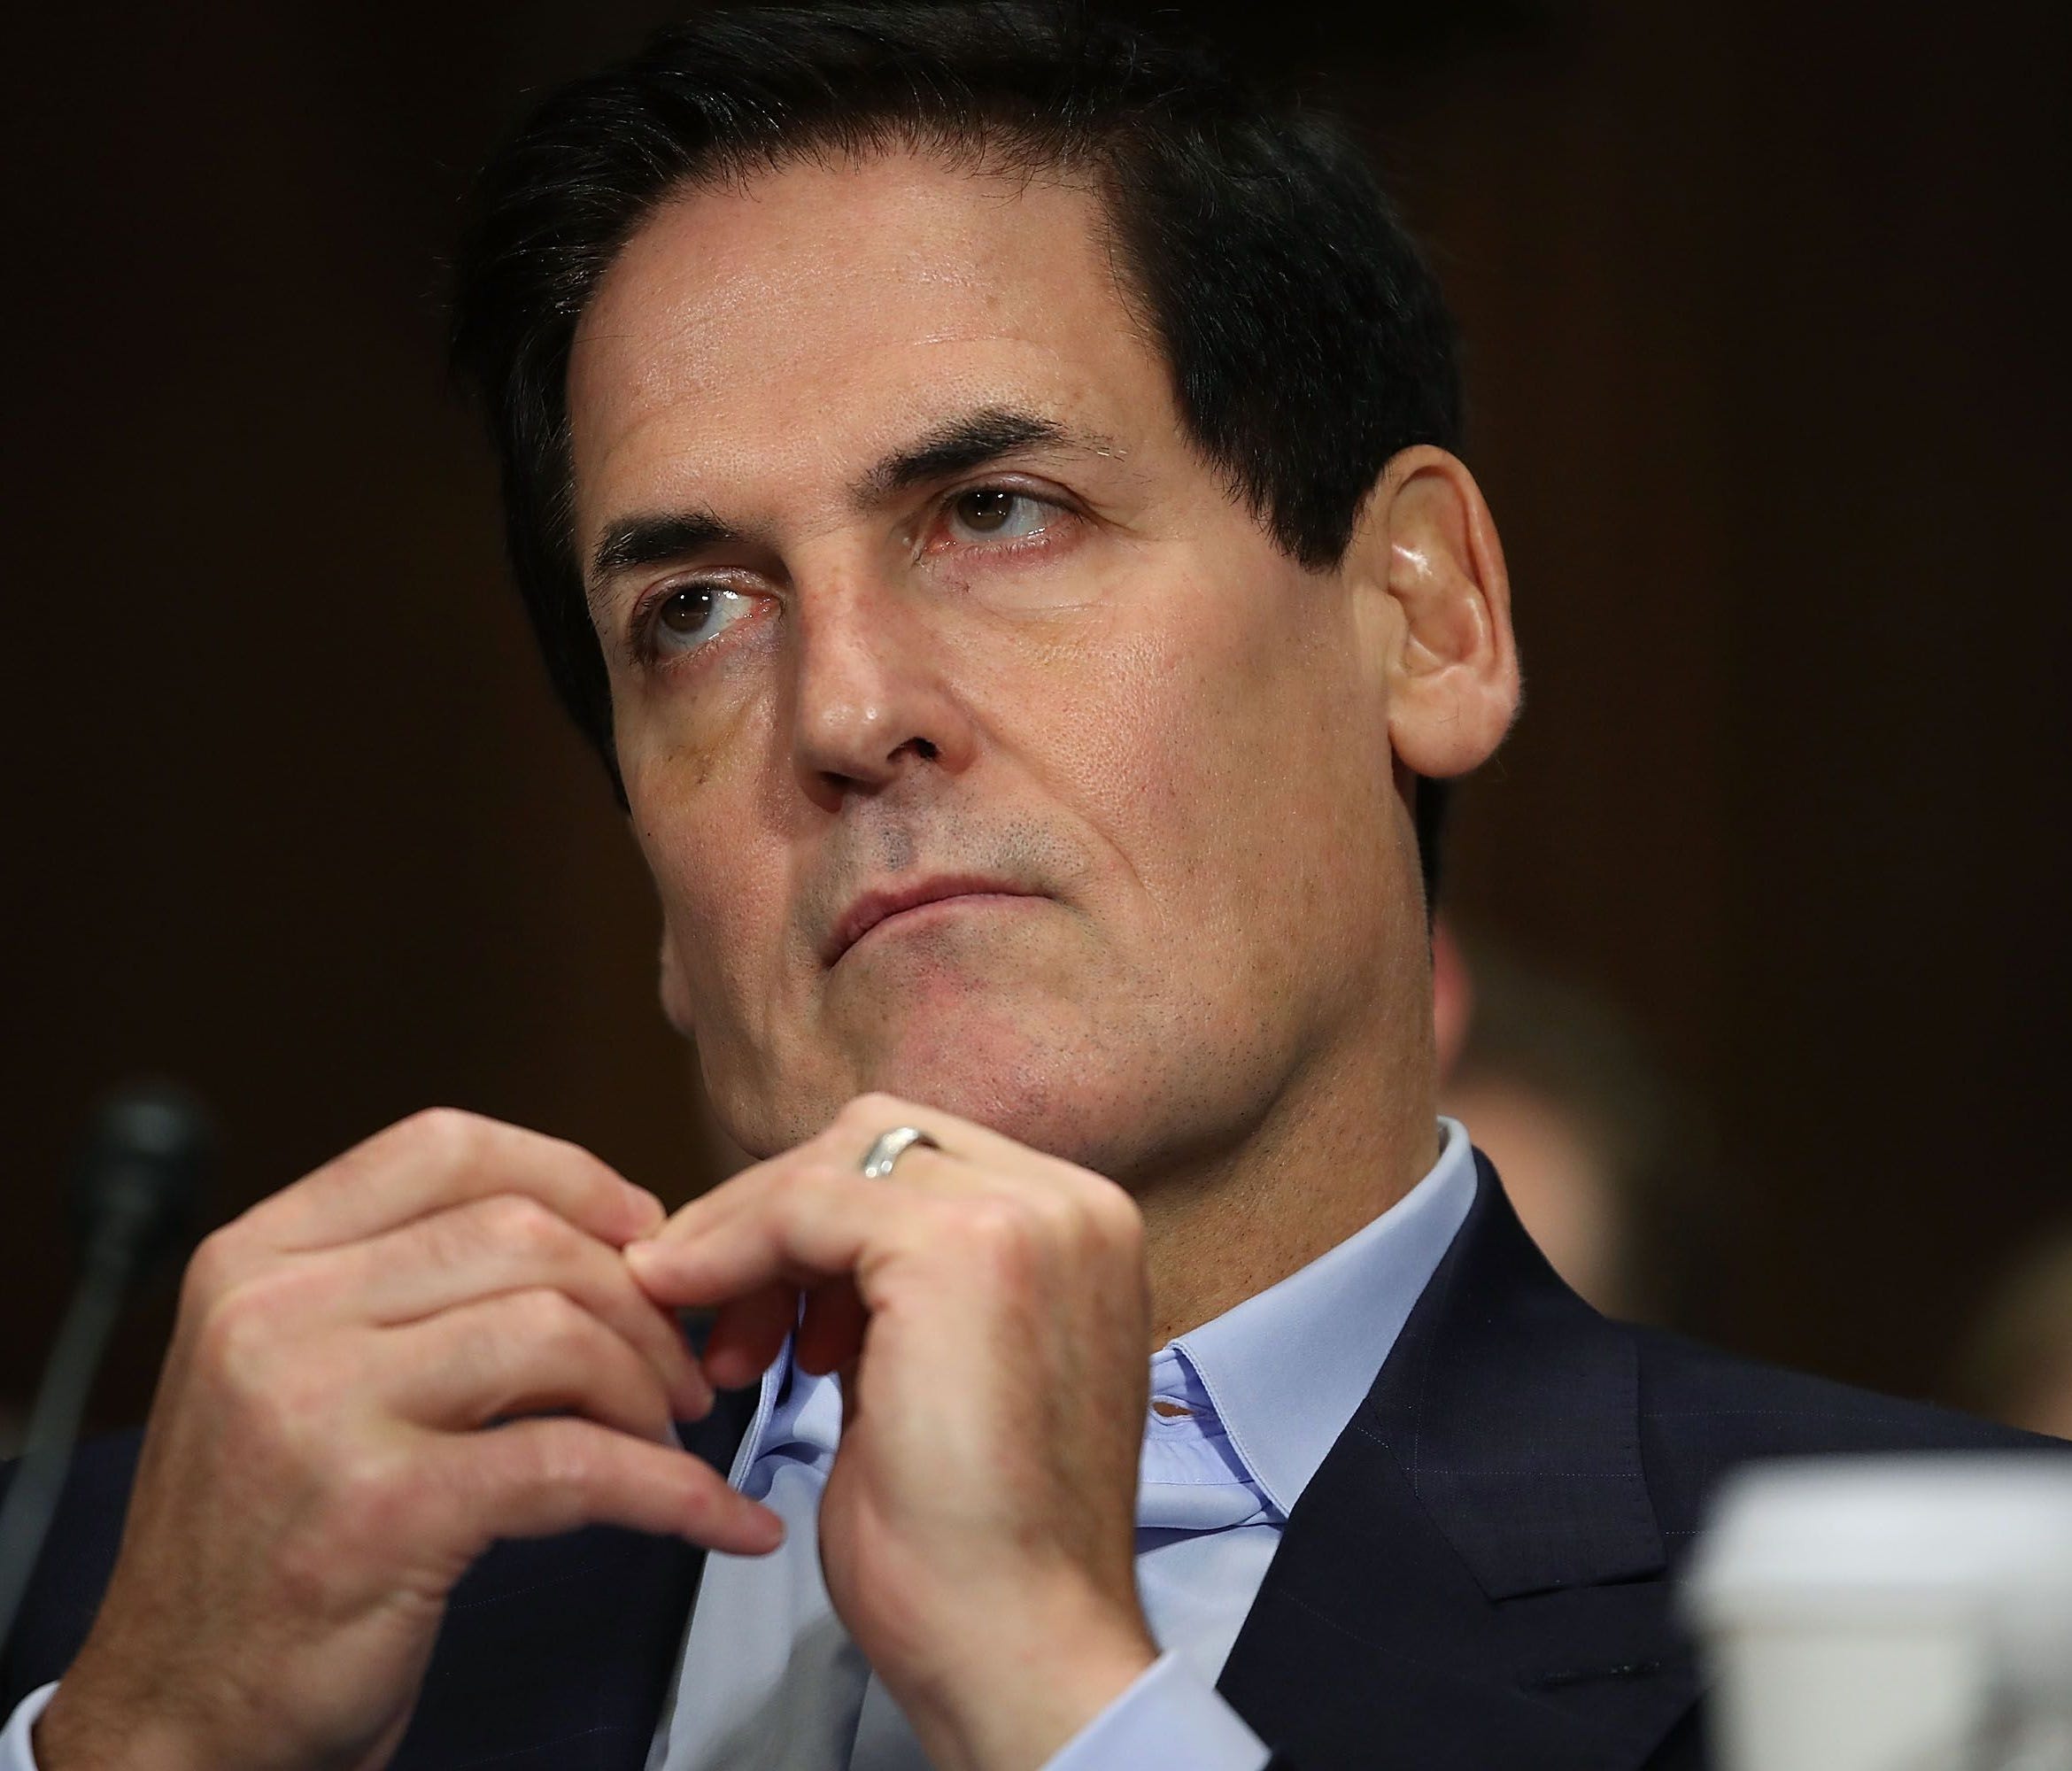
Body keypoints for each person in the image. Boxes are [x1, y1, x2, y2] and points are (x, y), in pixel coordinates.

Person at [0, 6, 2042, 1767]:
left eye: (995, 510)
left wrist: (1064, 1696)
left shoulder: (1980, 1627)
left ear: (1425, 618)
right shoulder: (130, 1617)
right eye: (696, 609)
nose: (843, 709)